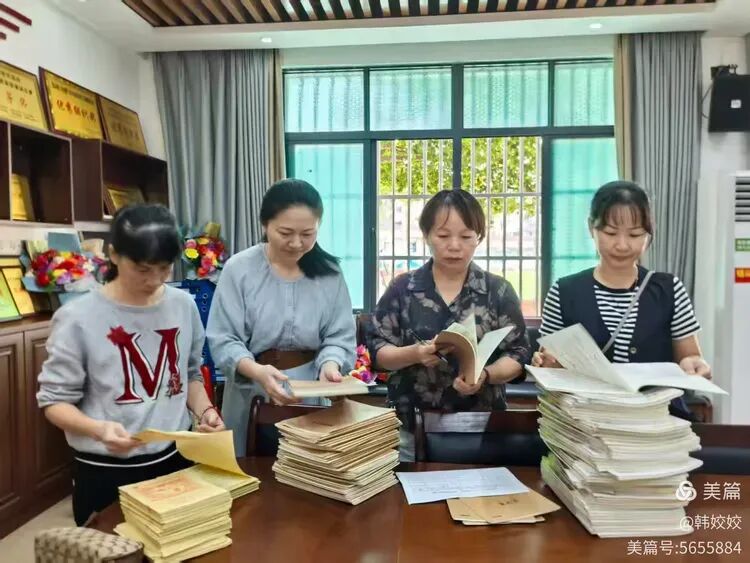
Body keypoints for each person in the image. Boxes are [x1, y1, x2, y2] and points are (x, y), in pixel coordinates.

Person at [37, 204, 224, 526]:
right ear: (114, 255)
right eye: (142, 269)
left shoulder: (183, 305)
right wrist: (98, 429)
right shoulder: (78, 318)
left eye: (164, 268)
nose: (154, 280)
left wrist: (206, 410)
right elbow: (54, 403)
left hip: (175, 460)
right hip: (105, 469)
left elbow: (189, 375)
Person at [367, 189, 531, 461]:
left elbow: (518, 353)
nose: (454, 246)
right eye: (443, 236)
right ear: (426, 235)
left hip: (482, 428)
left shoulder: (498, 290)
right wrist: (415, 354)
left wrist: (485, 375)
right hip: (410, 427)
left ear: (479, 237)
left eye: (466, 237)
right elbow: (378, 351)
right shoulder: (402, 288)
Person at [533, 181, 710, 419]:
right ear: (591, 228)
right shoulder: (564, 291)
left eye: (635, 234)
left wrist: (695, 365)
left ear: (648, 233)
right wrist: (546, 363)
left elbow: (689, 356)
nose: (622, 245)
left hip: (657, 420)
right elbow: (550, 360)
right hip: (588, 421)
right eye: (610, 233)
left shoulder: (669, 289)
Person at [207, 179, 356, 456]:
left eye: (308, 234)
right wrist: (257, 372)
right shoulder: (239, 269)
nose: (297, 243)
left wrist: (331, 364)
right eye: (285, 232)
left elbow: (340, 336)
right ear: (265, 224)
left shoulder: (330, 273)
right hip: (252, 388)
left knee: (308, 470)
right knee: (251, 470)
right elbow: (224, 338)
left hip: (310, 391)